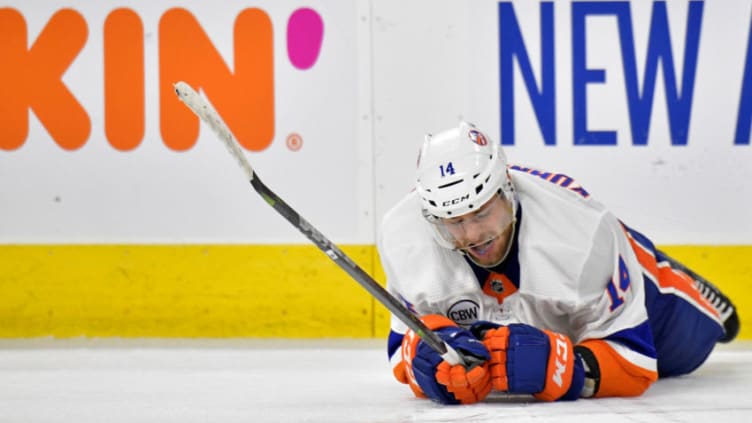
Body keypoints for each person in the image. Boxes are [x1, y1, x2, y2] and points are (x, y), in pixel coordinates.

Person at [377, 121, 740, 404]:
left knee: (686, 350)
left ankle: (683, 285)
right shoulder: (404, 237)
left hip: (625, 272)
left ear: (507, 189)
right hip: (556, 289)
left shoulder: (581, 232)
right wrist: (425, 359)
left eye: (483, 213)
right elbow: (402, 347)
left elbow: (637, 362)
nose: (473, 235)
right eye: (454, 222)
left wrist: (568, 372)